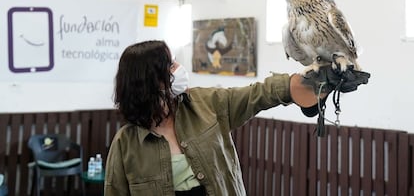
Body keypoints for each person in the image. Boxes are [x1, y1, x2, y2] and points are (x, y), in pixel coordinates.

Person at [104, 40, 369, 196]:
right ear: (152, 80)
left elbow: (259, 94)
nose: (179, 69)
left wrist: (305, 82)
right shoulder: (125, 145)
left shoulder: (208, 104)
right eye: (171, 65)